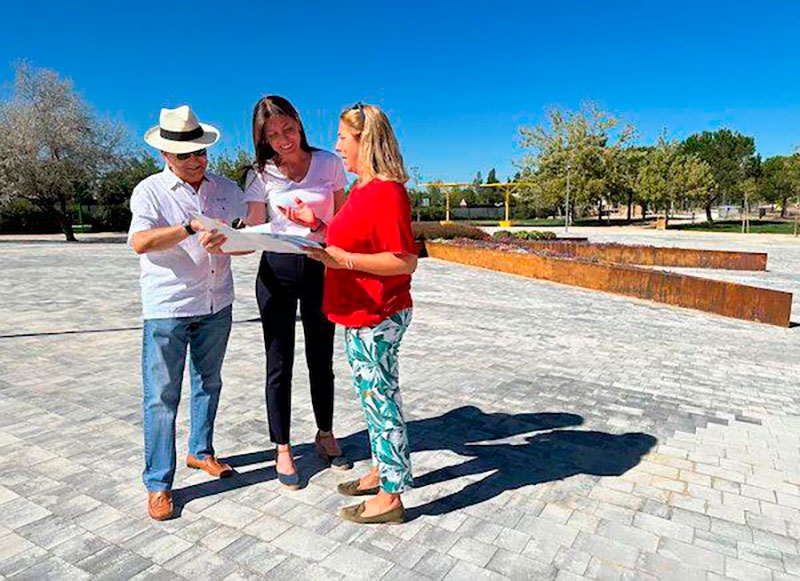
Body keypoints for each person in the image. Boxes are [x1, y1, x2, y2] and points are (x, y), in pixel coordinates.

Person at [305, 102, 418, 524]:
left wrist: (344, 262)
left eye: (341, 139)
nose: (337, 147)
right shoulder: (362, 190)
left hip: (377, 313)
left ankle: (391, 497)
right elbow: (349, 239)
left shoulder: (387, 191)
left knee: (382, 401)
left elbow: (404, 260)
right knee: (373, 401)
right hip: (358, 312)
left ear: (364, 142)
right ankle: (383, 469)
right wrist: (315, 227)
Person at [129, 105, 241, 520]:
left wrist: (230, 241)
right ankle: (159, 483)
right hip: (168, 307)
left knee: (209, 383)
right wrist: (189, 228)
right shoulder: (149, 192)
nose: (196, 161)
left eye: (200, 153)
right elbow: (140, 242)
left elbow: (247, 233)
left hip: (217, 301)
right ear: (165, 155)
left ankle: (201, 451)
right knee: (161, 397)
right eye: (185, 155)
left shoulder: (227, 189)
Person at [243, 96, 351, 489]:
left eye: (287, 129)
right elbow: (252, 227)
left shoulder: (329, 164)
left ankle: (325, 433)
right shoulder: (259, 173)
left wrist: (316, 221)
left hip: (321, 269)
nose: (283, 140)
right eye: (272, 135)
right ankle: (283, 446)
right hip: (276, 272)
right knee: (279, 362)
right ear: (262, 138)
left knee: (321, 359)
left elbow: (343, 227)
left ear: (299, 122)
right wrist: (228, 234)